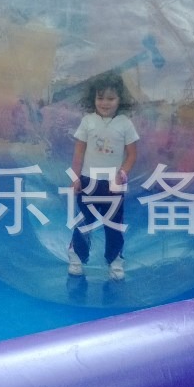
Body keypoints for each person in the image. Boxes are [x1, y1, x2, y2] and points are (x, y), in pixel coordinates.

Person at [68, 70, 139, 280]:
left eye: (111, 98)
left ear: (120, 99)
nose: (105, 103)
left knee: (113, 223)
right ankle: (76, 256)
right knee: (85, 221)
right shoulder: (88, 121)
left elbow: (132, 154)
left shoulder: (125, 123)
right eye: (100, 98)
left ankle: (115, 260)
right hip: (88, 181)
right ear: (93, 98)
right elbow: (79, 152)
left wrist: (122, 174)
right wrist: (75, 177)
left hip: (113, 184)